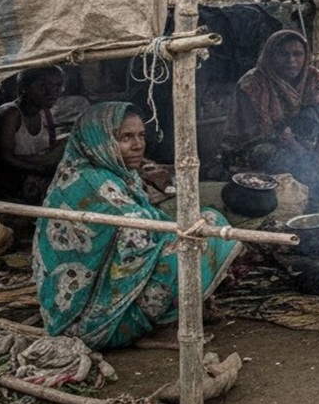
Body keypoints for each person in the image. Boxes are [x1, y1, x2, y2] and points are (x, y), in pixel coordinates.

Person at [33, 102, 241, 350]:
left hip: (102, 302)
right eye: (125, 137)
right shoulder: (89, 181)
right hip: (92, 323)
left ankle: (193, 307)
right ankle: (161, 327)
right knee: (193, 242)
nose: (138, 145)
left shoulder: (116, 172)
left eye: (141, 135)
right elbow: (141, 238)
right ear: (98, 140)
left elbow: (150, 221)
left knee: (204, 223)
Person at [221, 30, 319, 189]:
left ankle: (312, 186)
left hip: (303, 139)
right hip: (259, 143)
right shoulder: (252, 84)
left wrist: (317, 150)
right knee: (271, 155)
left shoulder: (316, 79)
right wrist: (295, 147)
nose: (291, 60)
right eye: (283, 54)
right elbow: (258, 131)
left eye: (297, 54)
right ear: (271, 56)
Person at [0, 66, 66, 204]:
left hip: (22, 174)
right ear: (24, 87)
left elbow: (46, 151)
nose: (52, 92)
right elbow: (5, 159)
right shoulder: (9, 114)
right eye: (42, 85)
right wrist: (44, 170)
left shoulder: (45, 113)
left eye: (58, 85)